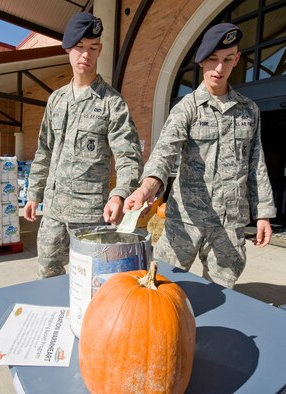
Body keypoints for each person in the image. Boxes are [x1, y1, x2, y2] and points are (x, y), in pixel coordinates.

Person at [124, 23, 276, 288]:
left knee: (221, 293)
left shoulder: (248, 110)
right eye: (213, 60)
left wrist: (263, 213)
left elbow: (256, 164)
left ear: (237, 59)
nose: (219, 68)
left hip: (229, 224)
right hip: (186, 219)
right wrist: (146, 189)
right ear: (201, 61)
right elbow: (164, 152)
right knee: (161, 284)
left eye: (227, 60)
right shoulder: (187, 108)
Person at [24, 12, 143, 279]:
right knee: (47, 275)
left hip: (88, 216)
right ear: (67, 49)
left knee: (90, 281)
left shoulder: (112, 103)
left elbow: (129, 155)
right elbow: (44, 149)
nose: (85, 55)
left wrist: (119, 194)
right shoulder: (57, 100)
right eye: (79, 47)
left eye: (92, 48)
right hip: (53, 213)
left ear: (100, 49)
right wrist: (34, 193)